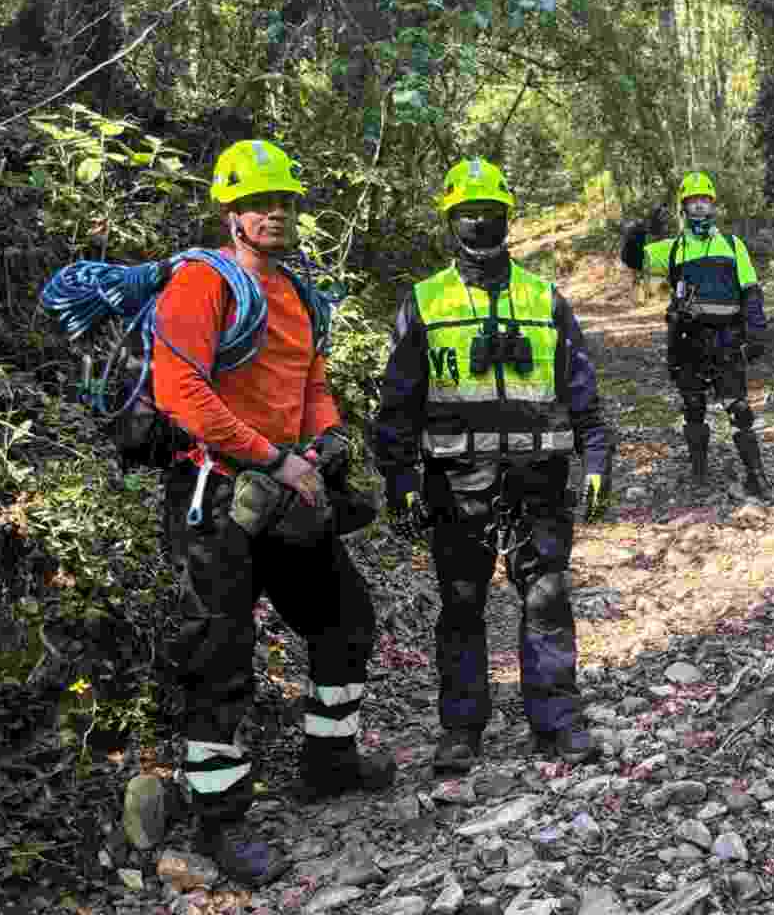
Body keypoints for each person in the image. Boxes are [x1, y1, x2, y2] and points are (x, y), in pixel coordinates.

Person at [151, 138, 393, 885]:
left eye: (285, 201)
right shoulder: (201, 286)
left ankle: (329, 760)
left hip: (289, 486)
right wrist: (270, 453)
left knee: (346, 622)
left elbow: (310, 378)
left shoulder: (294, 293)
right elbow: (180, 392)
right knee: (219, 656)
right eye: (261, 202)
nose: (276, 213)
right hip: (217, 495)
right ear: (232, 213)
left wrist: (322, 436)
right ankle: (223, 820)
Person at [374, 158, 615, 774]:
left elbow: (582, 388)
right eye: (467, 212)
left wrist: (596, 460)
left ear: (509, 217)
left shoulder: (544, 298)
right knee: (460, 607)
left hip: (538, 481)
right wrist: (399, 480)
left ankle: (558, 722)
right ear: (450, 219)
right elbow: (397, 404)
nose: (480, 221)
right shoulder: (425, 301)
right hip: (456, 486)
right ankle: (461, 728)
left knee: (548, 599)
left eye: (490, 211)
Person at [618, 172, 770, 496]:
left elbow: (751, 290)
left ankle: (756, 475)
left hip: (726, 340)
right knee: (693, 406)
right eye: (693, 201)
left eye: (705, 200)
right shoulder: (672, 249)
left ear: (713, 206)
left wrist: (756, 330)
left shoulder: (732, 245)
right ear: (683, 207)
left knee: (739, 409)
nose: (700, 206)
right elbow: (634, 260)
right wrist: (636, 233)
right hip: (688, 342)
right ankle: (699, 476)